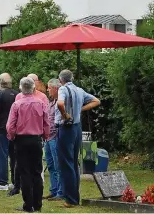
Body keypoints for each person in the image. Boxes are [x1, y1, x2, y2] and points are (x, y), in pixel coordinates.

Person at [56, 69, 100, 208]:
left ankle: (70, 199)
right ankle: (75, 196)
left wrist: (64, 114)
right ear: (72, 78)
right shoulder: (79, 90)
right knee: (74, 163)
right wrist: (80, 109)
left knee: (66, 163)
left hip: (66, 127)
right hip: (77, 127)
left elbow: (60, 104)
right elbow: (96, 101)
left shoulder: (62, 89)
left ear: (61, 79)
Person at [7, 77, 50, 213]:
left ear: (21, 88)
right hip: (36, 139)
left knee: (24, 172)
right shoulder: (41, 103)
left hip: (21, 139)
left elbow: (10, 125)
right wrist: (45, 135)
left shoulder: (17, 105)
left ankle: (28, 204)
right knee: (37, 171)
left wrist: (12, 136)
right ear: (33, 88)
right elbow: (47, 122)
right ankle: (38, 204)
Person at [0, 73, 18, 191]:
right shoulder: (17, 94)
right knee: (14, 156)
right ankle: (15, 181)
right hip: (15, 130)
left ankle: (2, 182)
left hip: (1, 130)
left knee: (1, 156)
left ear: (0, 82)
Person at [43, 79, 63, 201]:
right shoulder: (51, 103)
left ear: (55, 89)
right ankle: (54, 189)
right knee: (50, 165)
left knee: (58, 165)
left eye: (49, 88)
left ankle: (60, 192)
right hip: (48, 138)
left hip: (55, 138)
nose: (48, 90)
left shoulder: (60, 102)